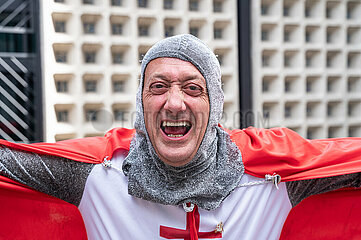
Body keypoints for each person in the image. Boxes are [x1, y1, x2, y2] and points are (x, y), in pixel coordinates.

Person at [0, 34, 361, 239]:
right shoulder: (92, 175)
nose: (174, 103)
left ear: (214, 105)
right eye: (158, 87)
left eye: (192, 88)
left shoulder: (277, 179)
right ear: (141, 105)